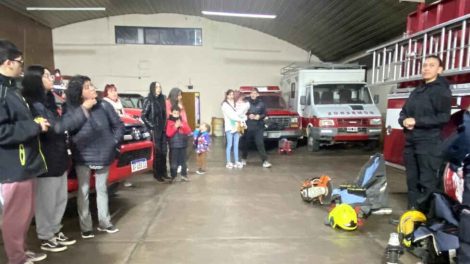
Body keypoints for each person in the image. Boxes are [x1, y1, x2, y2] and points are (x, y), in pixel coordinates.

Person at [22, 65, 95, 253]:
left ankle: (55, 230)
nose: (51, 78)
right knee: (46, 201)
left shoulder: (49, 101)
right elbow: (57, 127)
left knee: (60, 198)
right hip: (47, 159)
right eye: (46, 75)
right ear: (35, 80)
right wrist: (83, 109)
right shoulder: (35, 105)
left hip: (59, 157)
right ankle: (46, 236)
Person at [0, 40, 49, 264]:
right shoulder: (1, 91)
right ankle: (16, 259)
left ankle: (21, 250)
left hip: (26, 162)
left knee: (24, 215)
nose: (22, 66)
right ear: (7, 62)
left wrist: (34, 121)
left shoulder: (12, 88)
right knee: (14, 216)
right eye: (20, 62)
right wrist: (35, 126)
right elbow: (2, 131)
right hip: (13, 166)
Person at [65, 75, 124, 238]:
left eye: (92, 85)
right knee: (83, 190)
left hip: (104, 154)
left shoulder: (104, 105)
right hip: (82, 155)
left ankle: (105, 222)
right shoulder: (70, 108)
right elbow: (69, 127)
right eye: (87, 87)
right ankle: (86, 228)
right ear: (79, 92)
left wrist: (113, 142)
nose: (92, 88)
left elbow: (118, 125)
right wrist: (84, 108)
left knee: (102, 189)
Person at [398, 55, 451, 211]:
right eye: (425, 65)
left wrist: (417, 121)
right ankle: (412, 215)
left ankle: (426, 219)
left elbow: (444, 117)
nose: (426, 68)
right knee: (412, 180)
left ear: (439, 70)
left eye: (431, 65)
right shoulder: (417, 90)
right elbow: (404, 112)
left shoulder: (441, 91)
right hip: (411, 142)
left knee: (427, 181)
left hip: (429, 143)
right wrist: (404, 120)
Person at [102, 84, 133, 187]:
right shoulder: (106, 104)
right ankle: (111, 178)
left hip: (124, 133)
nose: (114, 93)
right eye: (111, 91)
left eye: (115, 90)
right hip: (113, 135)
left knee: (125, 157)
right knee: (114, 157)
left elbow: (123, 115)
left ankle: (124, 177)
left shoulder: (119, 103)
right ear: (106, 93)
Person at [142, 81, 169, 182]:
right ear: (152, 88)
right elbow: (143, 116)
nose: (159, 88)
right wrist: (152, 126)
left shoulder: (162, 99)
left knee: (164, 151)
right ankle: (157, 174)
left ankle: (164, 172)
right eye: (157, 87)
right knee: (157, 152)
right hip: (155, 130)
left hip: (162, 129)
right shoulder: (148, 100)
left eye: (160, 87)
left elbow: (164, 114)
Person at [241, 88, 272, 168]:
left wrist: (260, 116)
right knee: (246, 143)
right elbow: (241, 113)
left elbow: (265, 114)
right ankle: (243, 159)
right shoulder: (246, 103)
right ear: (250, 94)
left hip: (259, 126)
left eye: (255, 93)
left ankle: (265, 161)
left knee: (260, 143)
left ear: (258, 94)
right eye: (252, 93)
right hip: (248, 126)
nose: (253, 94)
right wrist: (248, 115)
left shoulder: (262, 103)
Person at [166, 107, 192, 182]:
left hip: (183, 144)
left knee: (183, 161)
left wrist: (182, 126)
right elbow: (168, 134)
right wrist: (175, 127)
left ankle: (184, 175)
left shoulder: (183, 121)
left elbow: (188, 131)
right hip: (174, 145)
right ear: (171, 113)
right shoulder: (169, 122)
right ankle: (173, 176)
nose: (176, 115)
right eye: (174, 113)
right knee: (174, 162)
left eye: (177, 113)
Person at [221, 89, 244, 169]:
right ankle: (228, 162)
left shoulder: (235, 103)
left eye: (232, 94)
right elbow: (231, 116)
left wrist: (242, 118)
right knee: (229, 145)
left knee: (236, 145)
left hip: (237, 126)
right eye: (230, 94)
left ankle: (237, 161)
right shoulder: (224, 105)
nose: (231, 96)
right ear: (227, 95)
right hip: (229, 128)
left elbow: (240, 112)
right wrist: (240, 119)